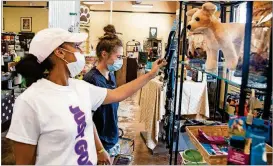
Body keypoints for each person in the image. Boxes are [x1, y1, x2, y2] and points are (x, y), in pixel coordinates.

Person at [6, 28, 166, 165]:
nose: (81, 51)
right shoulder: (30, 101)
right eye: (76, 46)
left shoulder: (79, 87)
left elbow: (116, 95)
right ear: (60, 52)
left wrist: (150, 75)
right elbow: (24, 162)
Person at [83, 25, 123, 163]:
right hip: (99, 140)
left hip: (111, 135)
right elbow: (87, 118)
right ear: (104, 54)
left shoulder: (111, 75)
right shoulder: (91, 79)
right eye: (118, 56)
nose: (120, 60)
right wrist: (99, 149)